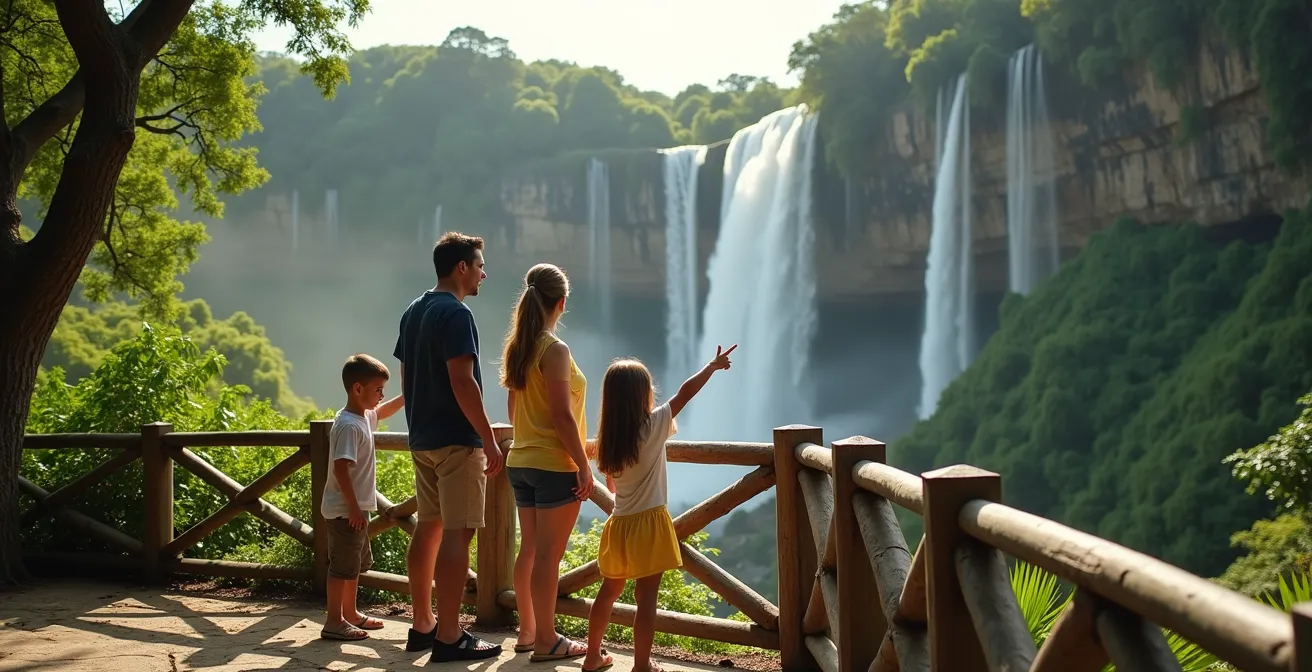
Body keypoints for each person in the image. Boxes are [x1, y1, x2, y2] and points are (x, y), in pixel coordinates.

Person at [582, 345, 737, 672]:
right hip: (649, 525)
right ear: (642, 396)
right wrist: (711, 366)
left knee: (608, 592)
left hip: (618, 524)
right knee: (646, 599)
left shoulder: (608, 441)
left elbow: (611, 487)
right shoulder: (652, 428)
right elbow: (684, 394)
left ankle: (591, 655)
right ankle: (642, 665)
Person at [393, 231, 505, 661]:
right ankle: (451, 636)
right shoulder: (457, 315)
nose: (483, 273)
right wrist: (488, 438)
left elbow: (406, 380)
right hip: (457, 440)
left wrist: (417, 422)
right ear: (461, 267)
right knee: (460, 533)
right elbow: (463, 381)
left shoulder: (413, 310)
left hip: (421, 436)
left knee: (429, 527)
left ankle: (423, 626)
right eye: (479, 265)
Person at [498, 263, 594, 661]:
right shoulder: (555, 350)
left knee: (531, 550)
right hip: (553, 464)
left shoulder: (520, 346)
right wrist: (583, 464)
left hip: (520, 459)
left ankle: (528, 632)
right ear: (561, 303)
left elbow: (513, 405)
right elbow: (561, 415)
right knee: (548, 556)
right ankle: (548, 640)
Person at [319, 354, 405, 641]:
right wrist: (354, 508)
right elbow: (341, 468)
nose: (382, 396)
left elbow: (382, 412)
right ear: (358, 389)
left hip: (355, 509)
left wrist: (408, 395)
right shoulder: (348, 425)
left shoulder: (363, 416)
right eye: (378, 390)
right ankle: (334, 621)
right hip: (346, 510)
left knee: (352, 564)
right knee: (341, 567)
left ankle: (351, 614)